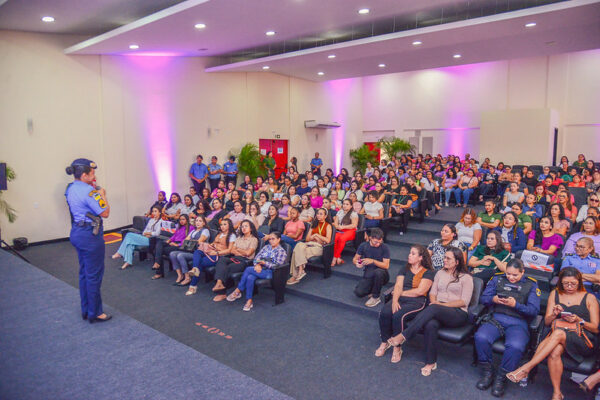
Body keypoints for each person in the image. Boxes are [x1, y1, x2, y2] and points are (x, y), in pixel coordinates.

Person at [506, 268, 599, 400]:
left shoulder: (589, 298)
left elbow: (595, 328)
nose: (569, 286)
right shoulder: (555, 294)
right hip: (559, 338)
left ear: (580, 282)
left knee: (558, 333)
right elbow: (548, 322)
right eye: (566, 283)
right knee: (555, 351)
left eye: (573, 283)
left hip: (583, 339)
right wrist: (555, 314)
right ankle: (557, 393)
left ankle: (527, 367)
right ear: (560, 282)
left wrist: (579, 320)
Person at [387, 247, 474, 376]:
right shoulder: (439, 273)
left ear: (457, 262)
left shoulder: (466, 278)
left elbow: (464, 301)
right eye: (444, 257)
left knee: (433, 308)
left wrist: (439, 305)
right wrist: (435, 302)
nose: (444, 260)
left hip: (457, 313)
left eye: (448, 258)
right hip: (437, 310)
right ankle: (431, 362)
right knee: (430, 325)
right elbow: (432, 293)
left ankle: (403, 335)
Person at [474, 259, 540, 397]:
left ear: (523, 272)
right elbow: (483, 298)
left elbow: (533, 310)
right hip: (496, 318)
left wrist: (516, 305)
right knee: (481, 337)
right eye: (508, 274)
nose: (510, 277)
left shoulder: (531, 284)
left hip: (518, 322)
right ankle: (488, 372)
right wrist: (493, 300)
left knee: (515, 346)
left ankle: (501, 378)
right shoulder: (498, 278)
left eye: (515, 275)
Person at [65, 158, 111, 323]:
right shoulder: (90, 192)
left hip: (77, 232)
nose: (94, 175)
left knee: (84, 273)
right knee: (94, 275)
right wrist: (103, 195)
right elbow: (105, 212)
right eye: (92, 173)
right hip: (90, 236)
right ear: (84, 175)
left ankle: (86, 309)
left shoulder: (70, 188)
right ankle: (95, 312)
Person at [376, 245, 435, 362]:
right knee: (385, 312)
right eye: (409, 253)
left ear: (420, 258)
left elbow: (420, 291)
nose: (409, 255)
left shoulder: (429, 272)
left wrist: (398, 294)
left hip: (417, 301)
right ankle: (385, 342)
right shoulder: (404, 268)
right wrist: (394, 301)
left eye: (413, 254)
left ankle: (397, 348)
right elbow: (397, 285)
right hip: (401, 298)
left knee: (399, 315)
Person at [226, 232, 288, 311]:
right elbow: (256, 258)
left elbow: (277, 266)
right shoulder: (266, 247)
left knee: (248, 269)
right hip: (259, 269)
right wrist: (257, 265)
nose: (271, 241)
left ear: (279, 239)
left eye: (273, 239)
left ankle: (238, 290)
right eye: (270, 239)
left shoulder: (281, 251)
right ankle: (249, 300)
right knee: (250, 277)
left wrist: (265, 263)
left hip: (271, 272)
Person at [211, 220, 260, 301]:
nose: (243, 228)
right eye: (242, 226)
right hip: (235, 258)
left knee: (227, 268)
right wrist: (241, 251)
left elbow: (248, 253)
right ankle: (219, 283)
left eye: (246, 226)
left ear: (251, 228)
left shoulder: (254, 239)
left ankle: (222, 293)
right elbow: (232, 250)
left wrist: (238, 250)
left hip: (245, 262)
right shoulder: (239, 238)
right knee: (222, 260)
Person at [186, 219, 236, 295]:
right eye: (221, 224)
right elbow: (214, 243)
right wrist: (210, 245)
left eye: (225, 224)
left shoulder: (232, 235)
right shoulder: (220, 234)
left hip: (219, 255)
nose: (222, 226)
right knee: (197, 251)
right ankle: (194, 269)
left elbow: (229, 250)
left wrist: (216, 252)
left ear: (229, 225)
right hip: (211, 251)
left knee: (200, 263)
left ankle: (193, 285)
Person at [287, 208, 332, 285]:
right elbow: (307, 239)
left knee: (296, 252)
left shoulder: (328, 226)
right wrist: (315, 237)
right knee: (299, 245)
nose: (318, 215)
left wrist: (317, 235)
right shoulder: (313, 224)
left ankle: (295, 275)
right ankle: (301, 270)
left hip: (319, 247)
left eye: (321, 214)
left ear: (325, 216)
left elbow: (328, 241)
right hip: (309, 244)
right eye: (318, 213)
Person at [112, 206, 162, 270]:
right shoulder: (151, 220)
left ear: (160, 212)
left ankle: (120, 253)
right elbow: (144, 231)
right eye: (153, 211)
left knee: (129, 235)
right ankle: (128, 262)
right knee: (130, 243)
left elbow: (157, 233)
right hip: (145, 237)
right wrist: (145, 233)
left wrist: (149, 233)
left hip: (151, 240)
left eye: (156, 211)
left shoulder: (161, 222)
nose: (154, 213)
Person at [168, 215, 210, 287]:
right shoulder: (193, 230)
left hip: (199, 252)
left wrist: (190, 241)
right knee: (172, 254)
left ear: (204, 223)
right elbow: (185, 240)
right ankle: (180, 275)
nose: (198, 222)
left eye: (200, 221)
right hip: (190, 250)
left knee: (180, 255)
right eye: (196, 221)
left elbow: (199, 241)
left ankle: (187, 277)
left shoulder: (205, 231)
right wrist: (190, 241)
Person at [352, 228, 390, 307]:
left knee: (378, 273)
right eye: (376, 242)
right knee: (359, 293)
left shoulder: (385, 247)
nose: (378, 244)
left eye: (380, 242)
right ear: (370, 238)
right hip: (369, 274)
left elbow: (386, 265)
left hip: (382, 274)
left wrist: (373, 261)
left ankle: (376, 297)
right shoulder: (363, 245)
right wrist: (357, 263)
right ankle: (373, 288)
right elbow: (355, 259)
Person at [151, 214, 191, 281]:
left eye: (183, 219)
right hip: (173, 243)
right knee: (159, 243)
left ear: (187, 220)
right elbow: (174, 236)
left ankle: (158, 271)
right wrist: (169, 241)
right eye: (180, 219)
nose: (181, 221)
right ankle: (157, 263)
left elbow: (187, 240)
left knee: (158, 251)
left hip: (180, 246)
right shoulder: (179, 227)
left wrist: (177, 245)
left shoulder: (190, 228)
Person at [331, 199, 359, 266]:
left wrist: (343, 227)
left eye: (347, 204)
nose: (345, 206)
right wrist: (338, 226)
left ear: (351, 206)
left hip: (351, 230)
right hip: (340, 230)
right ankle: (338, 257)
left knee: (342, 238)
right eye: (344, 204)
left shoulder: (353, 213)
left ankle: (334, 257)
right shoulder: (340, 212)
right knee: (334, 238)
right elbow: (335, 223)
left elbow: (354, 225)